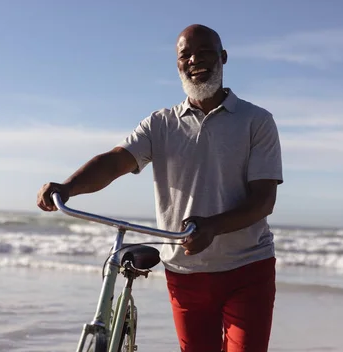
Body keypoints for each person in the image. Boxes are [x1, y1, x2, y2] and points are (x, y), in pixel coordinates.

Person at [36, 24, 283, 352]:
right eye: (185, 55)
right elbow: (115, 161)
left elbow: (264, 200)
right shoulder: (160, 124)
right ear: (178, 65)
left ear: (223, 57)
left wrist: (212, 227)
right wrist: (68, 187)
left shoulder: (257, 121)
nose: (195, 60)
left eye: (205, 52)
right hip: (184, 270)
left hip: (247, 269)